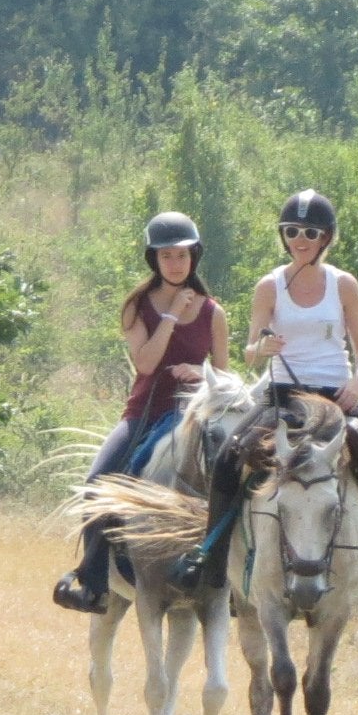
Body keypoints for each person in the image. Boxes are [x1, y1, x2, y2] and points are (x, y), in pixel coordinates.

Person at [165, 190, 358, 608]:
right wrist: (262, 350)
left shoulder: (343, 284)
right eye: (291, 231)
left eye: (310, 232)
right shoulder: (269, 285)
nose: (300, 239)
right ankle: (210, 564)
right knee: (227, 459)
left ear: (326, 237)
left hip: (336, 395)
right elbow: (250, 349)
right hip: (282, 395)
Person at [52, 211, 228, 613]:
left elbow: (223, 374)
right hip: (145, 414)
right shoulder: (137, 306)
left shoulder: (213, 313)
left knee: (236, 479)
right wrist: (168, 316)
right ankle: (92, 581)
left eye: (182, 255)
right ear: (154, 260)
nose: (175, 264)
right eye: (166, 256)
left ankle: (234, 580)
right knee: (97, 482)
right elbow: (146, 363)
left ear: (194, 257)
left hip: (197, 417)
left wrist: (200, 374)